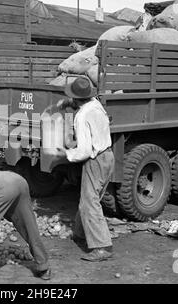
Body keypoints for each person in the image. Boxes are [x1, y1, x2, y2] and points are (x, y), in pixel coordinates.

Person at [56, 77, 115, 262]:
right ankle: (80, 234)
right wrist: (68, 103)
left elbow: (84, 151)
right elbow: (81, 104)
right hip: (108, 156)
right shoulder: (96, 105)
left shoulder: (82, 116)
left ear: (77, 98)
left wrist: (65, 153)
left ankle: (102, 247)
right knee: (90, 199)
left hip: (95, 160)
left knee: (90, 203)